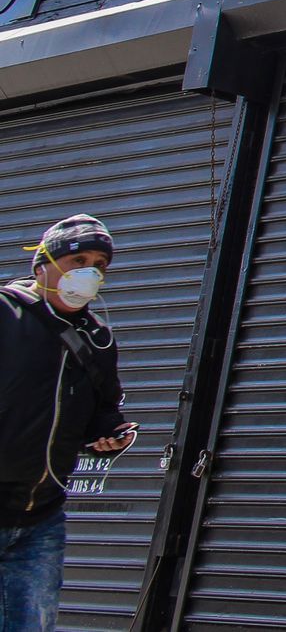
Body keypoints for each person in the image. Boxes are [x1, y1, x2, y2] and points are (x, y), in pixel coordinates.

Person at [0, 215, 138, 631]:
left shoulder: (97, 340)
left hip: (40, 519)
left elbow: (102, 411)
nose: (89, 272)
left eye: (99, 264)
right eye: (78, 259)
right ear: (42, 264)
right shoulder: (6, 315)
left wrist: (109, 434)